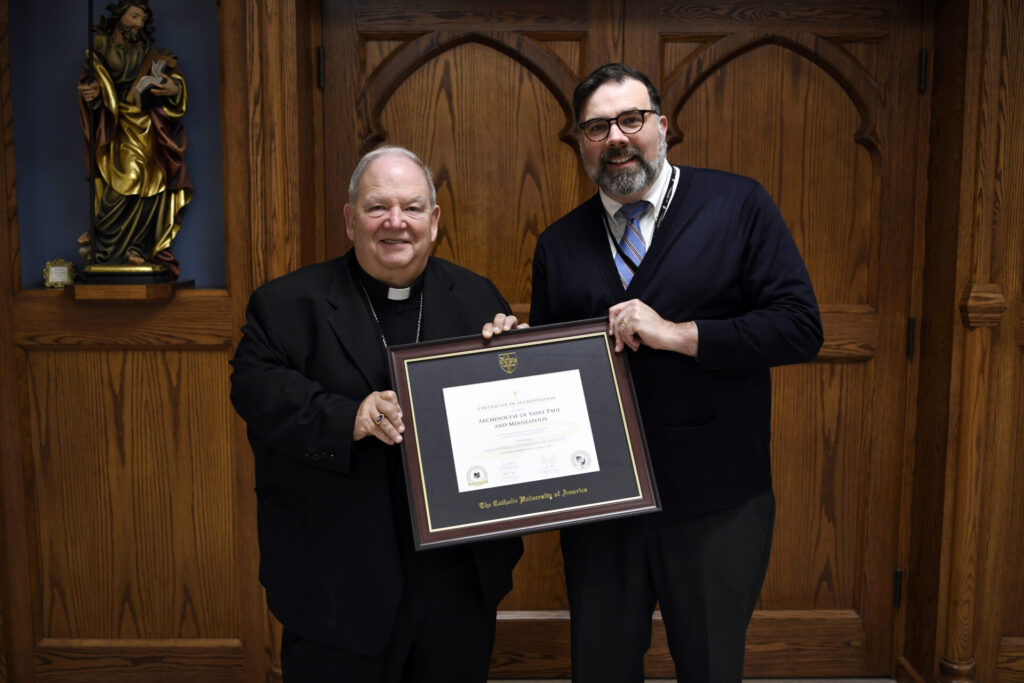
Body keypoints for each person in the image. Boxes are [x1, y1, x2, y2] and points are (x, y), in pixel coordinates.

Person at [486, 64, 823, 682]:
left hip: (717, 499)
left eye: (631, 119)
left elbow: (800, 327)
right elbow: (557, 372)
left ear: (662, 126)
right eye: (597, 127)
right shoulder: (559, 243)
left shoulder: (738, 205)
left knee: (710, 667)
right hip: (601, 508)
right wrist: (515, 355)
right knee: (602, 669)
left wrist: (679, 334)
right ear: (581, 142)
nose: (616, 137)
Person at [230, 146, 522, 682]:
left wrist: (519, 361)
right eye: (377, 207)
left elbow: (508, 410)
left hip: (455, 582)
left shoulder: (477, 297)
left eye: (411, 208)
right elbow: (254, 388)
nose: (395, 222)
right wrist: (348, 417)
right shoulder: (286, 303)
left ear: (434, 220)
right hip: (335, 579)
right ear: (350, 219)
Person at [77, 1, 192, 277]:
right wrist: (92, 93)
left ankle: (135, 248)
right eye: (134, 16)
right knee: (126, 178)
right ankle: (101, 234)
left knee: (155, 183)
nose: (139, 24)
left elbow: (174, 80)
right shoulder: (100, 48)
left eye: (142, 19)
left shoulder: (147, 52)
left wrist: (174, 88)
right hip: (117, 125)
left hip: (149, 126)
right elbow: (92, 83)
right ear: (119, 17)